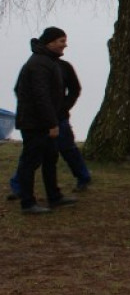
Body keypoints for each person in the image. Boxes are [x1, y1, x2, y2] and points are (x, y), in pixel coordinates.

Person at [8, 49, 92, 200]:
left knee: (67, 149)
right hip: (39, 120)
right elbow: (20, 89)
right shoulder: (33, 66)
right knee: (33, 154)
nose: (65, 45)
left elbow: (75, 89)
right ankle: (18, 186)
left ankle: (83, 177)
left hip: (59, 117)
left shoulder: (64, 67)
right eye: (61, 41)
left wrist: (64, 107)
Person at [12, 27, 78, 214]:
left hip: (43, 121)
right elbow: (41, 96)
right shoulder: (39, 64)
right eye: (61, 41)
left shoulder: (48, 61)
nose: (65, 45)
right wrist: (51, 123)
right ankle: (27, 203)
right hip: (35, 124)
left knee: (50, 158)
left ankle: (54, 197)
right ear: (50, 42)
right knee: (30, 162)